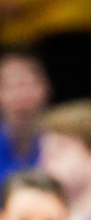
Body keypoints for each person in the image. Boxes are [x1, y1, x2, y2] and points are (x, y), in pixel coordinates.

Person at [0, 51, 50, 184]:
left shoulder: (62, 145)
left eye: (28, 85)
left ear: (46, 89)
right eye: (12, 87)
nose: (21, 94)